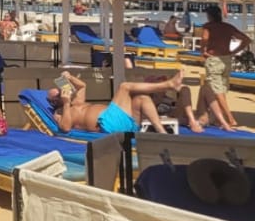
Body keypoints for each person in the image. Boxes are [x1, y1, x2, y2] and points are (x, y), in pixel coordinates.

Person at [45, 69, 183, 134]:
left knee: (142, 99)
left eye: (60, 89)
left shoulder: (76, 101)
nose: (61, 92)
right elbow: (65, 128)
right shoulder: (59, 114)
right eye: (57, 94)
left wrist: (70, 77)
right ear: (53, 102)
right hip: (107, 124)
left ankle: (162, 133)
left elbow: (82, 86)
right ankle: (169, 85)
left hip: (120, 120)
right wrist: (66, 103)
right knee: (124, 87)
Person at [198, 7, 248, 131]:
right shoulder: (228, 27)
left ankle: (230, 118)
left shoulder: (209, 26)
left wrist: (203, 51)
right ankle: (217, 118)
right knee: (221, 90)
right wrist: (233, 51)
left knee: (216, 90)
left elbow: (204, 39)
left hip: (214, 59)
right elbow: (246, 40)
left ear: (209, 16)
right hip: (226, 60)